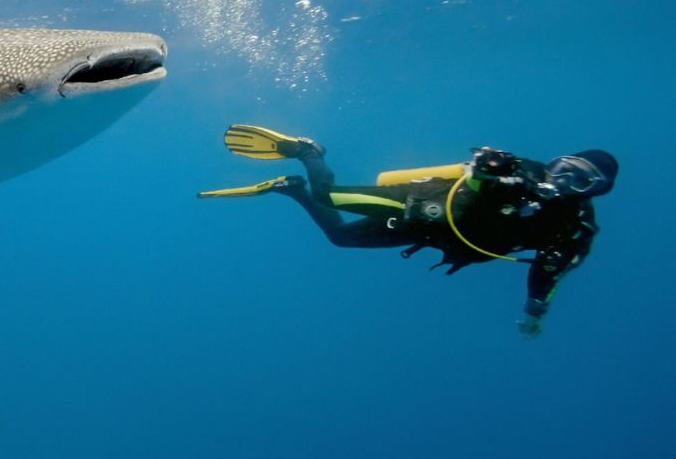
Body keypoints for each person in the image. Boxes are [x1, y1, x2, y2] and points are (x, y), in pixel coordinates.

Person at [199, 125, 617, 337]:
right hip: (417, 206)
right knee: (328, 197)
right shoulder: (520, 170)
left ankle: (290, 189)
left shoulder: (574, 228)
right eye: (566, 169)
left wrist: (535, 311)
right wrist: (486, 169)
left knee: (339, 238)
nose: (564, 182)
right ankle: (308, 152)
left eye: (582, 181)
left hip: (435, 236)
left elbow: (549, 269)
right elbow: (474, 180)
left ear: (595, 192)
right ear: (556, 161)